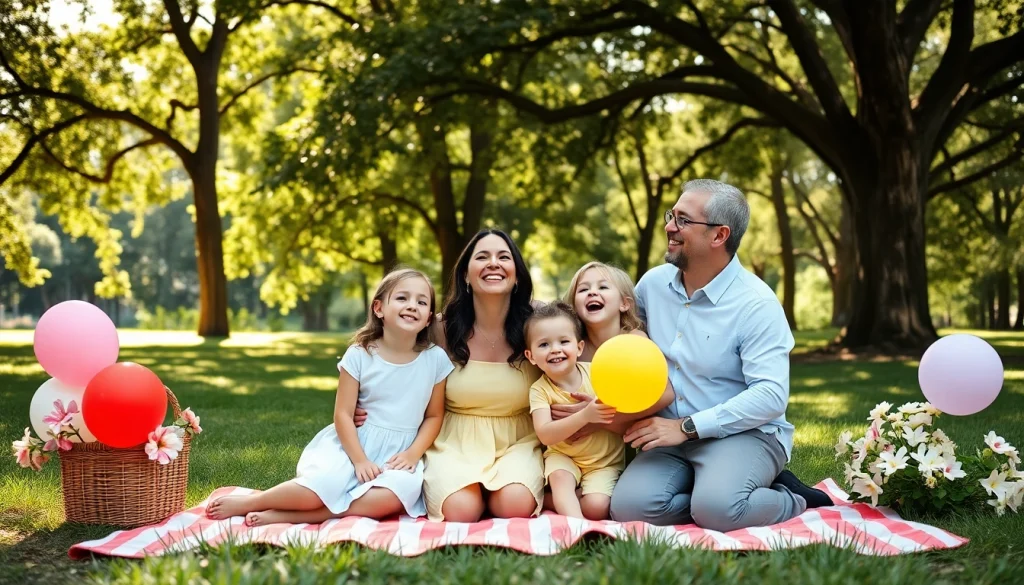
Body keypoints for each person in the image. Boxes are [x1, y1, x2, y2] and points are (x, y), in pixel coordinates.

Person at [610, 179, 830, 532]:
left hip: (744, 434)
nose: (669, 226)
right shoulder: (652, 285)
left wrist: (687, 428)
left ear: (718, 235)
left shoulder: (756, 304)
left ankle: (790, 497)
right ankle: (713, 497)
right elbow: (615, 332)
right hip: (668, 433)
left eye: (683, 220)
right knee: (628, 509)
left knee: (719, 511)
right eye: (672, 215)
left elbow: (771, 396)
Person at [206, 268, 453, 526]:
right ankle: (255, 501)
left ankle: (297, 515)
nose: (412, 306)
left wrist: (413, 454)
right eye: (402, 298)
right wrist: (359, 460)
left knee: (391, 497)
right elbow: (343, 414)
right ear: (378, 308)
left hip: (400, 452)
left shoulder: (434, 359)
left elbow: (434, 415)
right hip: (352, 444)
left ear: (428, 320)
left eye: (422, 302)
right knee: (323, 485)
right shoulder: (360, 354)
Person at [420, 229, 545, 522]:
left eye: (504, 257)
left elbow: (576, 353)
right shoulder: (441, 329)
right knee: (461, 510)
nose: (493, 263)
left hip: (517, 441)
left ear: (516, 274)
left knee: (514, 506)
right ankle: (473, 496)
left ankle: (503, 493)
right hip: (454, 441)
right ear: (465, 273)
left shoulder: (537, 324)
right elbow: (395, 358)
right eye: (482, 257)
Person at [526, 301, 623, 520]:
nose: (555, 349)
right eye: (543, 345)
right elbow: (545, 433)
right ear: (530, 356)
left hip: (603, 462)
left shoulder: (599, 374)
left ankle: (551, 499)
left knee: (596, 507)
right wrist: (585, 415)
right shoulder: (540, 390)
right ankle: (577, 528)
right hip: (563, 455)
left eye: (564, 341)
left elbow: (624, 412)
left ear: (579, 347)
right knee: (560, 478)